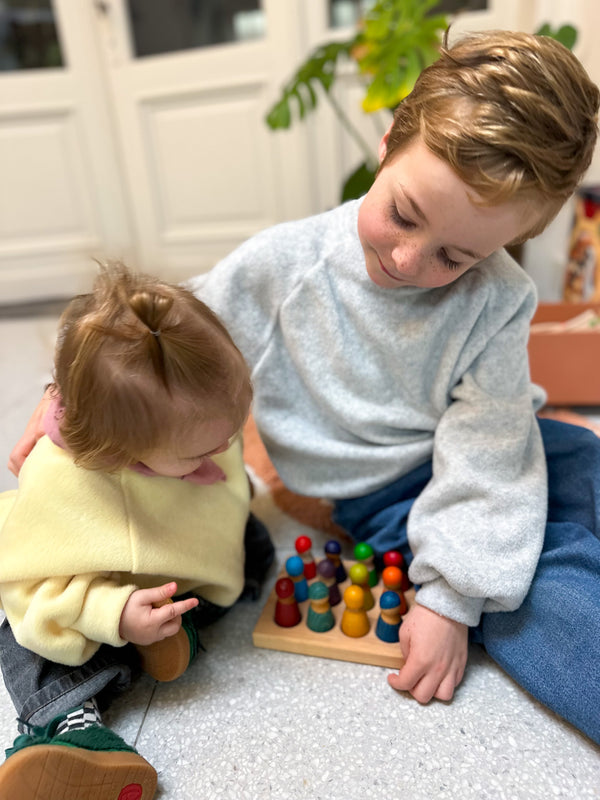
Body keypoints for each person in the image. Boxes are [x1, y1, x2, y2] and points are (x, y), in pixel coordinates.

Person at [9, 29, 600, 746]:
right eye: (403, 215)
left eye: (455, 256)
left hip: (489, 446)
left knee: (583, 464)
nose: (408, 259)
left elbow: (494, 447)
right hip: (387, 492)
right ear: (389, 144)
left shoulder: (499, 297)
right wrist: (449, 598)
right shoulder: (284, 266)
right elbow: (153, 339)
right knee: (537, 580)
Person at [0, 264, 274, 799]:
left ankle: (166, 635)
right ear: (119, 451)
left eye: (232, 427)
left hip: (171, 570)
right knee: (22, 638)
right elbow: (32, 589)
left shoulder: (189, 413)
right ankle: (70, 730)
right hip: (86, 587)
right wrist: (112, 612)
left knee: (252, 546)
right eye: (201, 452)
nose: (223, 450)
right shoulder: (63, 481)